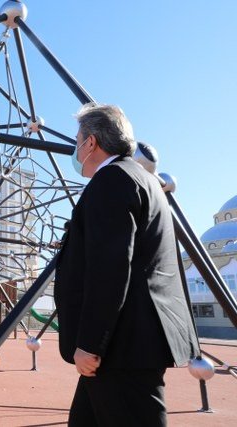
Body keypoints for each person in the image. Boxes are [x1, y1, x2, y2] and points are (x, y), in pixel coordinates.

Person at [54, 103, 199, 426]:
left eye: (78, 139)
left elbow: (111, 268)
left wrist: (90, 344)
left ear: (90, 142)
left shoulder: (112, 181)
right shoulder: (141, 180)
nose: (76, 148)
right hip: (128, 343)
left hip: (121, 348)